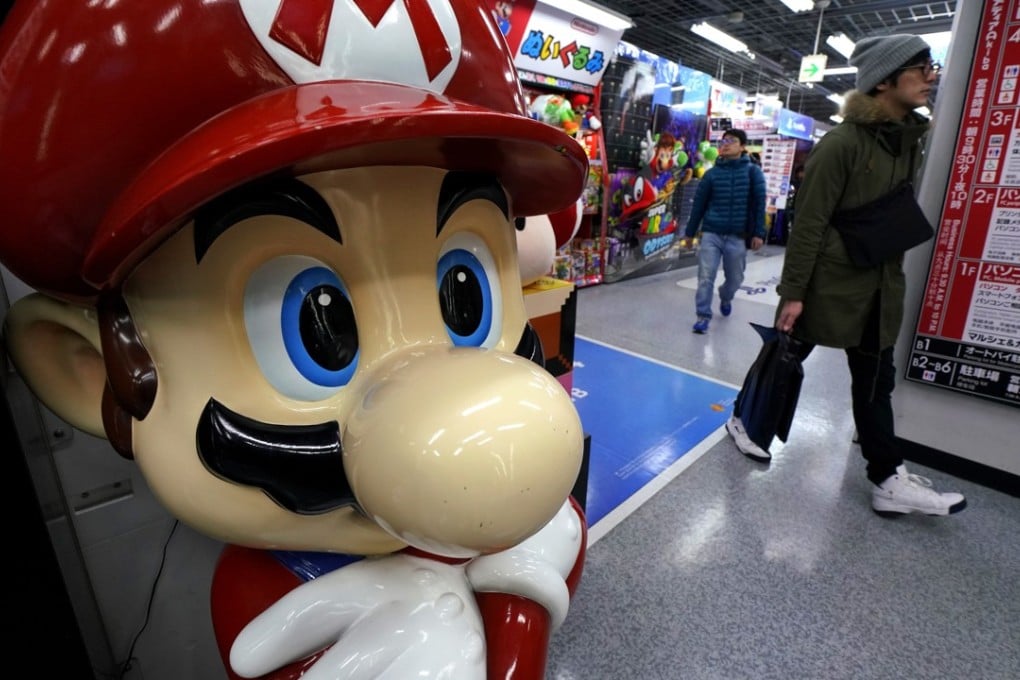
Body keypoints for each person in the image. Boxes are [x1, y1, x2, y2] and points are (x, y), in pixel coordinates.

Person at [725, 34, 966, 517]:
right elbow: (809, 221)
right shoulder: (842, 143)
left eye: (931, 65)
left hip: (880, 283)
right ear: (884, 81)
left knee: (876, 380)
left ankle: (885, 476)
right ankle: (745, 420)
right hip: (830, 283)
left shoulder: (906, 141)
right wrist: (793, 292)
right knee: (785, 353)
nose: (931, 76)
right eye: (921, 67)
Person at [682, 128, 766, 333]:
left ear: (743, 146)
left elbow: (759, 203)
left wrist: (758, 232)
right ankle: (703, 316)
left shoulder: (753, 172)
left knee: (735, 279)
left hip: (737, 236)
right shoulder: (711, 175)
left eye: (732, 140)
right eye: (723, 141)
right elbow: (699, 205)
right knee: (705, 276)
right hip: (711, 233)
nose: (725, 144)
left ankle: (726, 296)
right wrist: (690, 233)